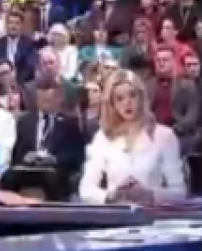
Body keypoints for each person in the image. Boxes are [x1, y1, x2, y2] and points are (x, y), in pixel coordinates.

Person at [78, 70, 187, 204]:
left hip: (152, 213)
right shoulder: (103, 137)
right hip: (118, 213)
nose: (127, 103)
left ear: (141, 97)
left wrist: (150, 195)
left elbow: (179, 192)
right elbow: (86, 189)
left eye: (132, 95)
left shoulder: (164, 136)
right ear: (112, 104)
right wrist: (111, 196)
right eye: (119, 98)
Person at [0, 77, 87, 203]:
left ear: (57, 99)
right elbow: (16, 154)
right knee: (7, 178)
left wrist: (54, 159)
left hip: (54, 169)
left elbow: (77, 155)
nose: (44, 103)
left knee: (52, 179)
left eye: (48, 100)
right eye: (41, 100)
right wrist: (26, 157)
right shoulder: (25, 122)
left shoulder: (69, 124)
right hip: (27, 169)